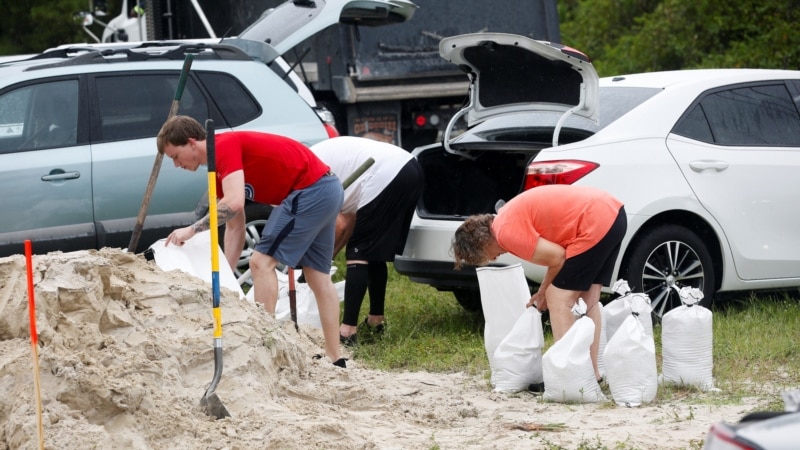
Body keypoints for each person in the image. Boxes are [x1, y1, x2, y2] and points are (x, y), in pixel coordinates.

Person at [157, 115, 346, 367]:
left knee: (260, 263)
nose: (176, 164)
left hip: (310, 189)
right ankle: (336, 358)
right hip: (325, 188)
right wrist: (227, 278)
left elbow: (233, 202)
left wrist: (192, 230)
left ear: (192, 143)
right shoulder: (217, 171)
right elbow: (235, 226)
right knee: (317, 277)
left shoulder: (222, 146)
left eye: (175, 156)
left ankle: (264, 346)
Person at [452, 185, 626, 380]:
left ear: (481, 243)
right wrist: (544, 290)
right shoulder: (504, 219)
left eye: (484, 256)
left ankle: (567, 373)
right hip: (613, 214)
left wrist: (543, 291)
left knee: (557, 298)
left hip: (595, 221)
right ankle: (591, 375)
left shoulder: (506, 234)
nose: (492, 259)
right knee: (587, 301)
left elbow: (558, 257)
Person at [310, 136, 424, 345]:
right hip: (410, 166)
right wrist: (328, 257)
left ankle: (347, 331)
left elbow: (341, 225)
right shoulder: (319, 159)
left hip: (385, 173)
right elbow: (347, 221)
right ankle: (375, 321)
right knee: (372, 251)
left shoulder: (309, 174)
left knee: (359, 252)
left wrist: (320, 262)